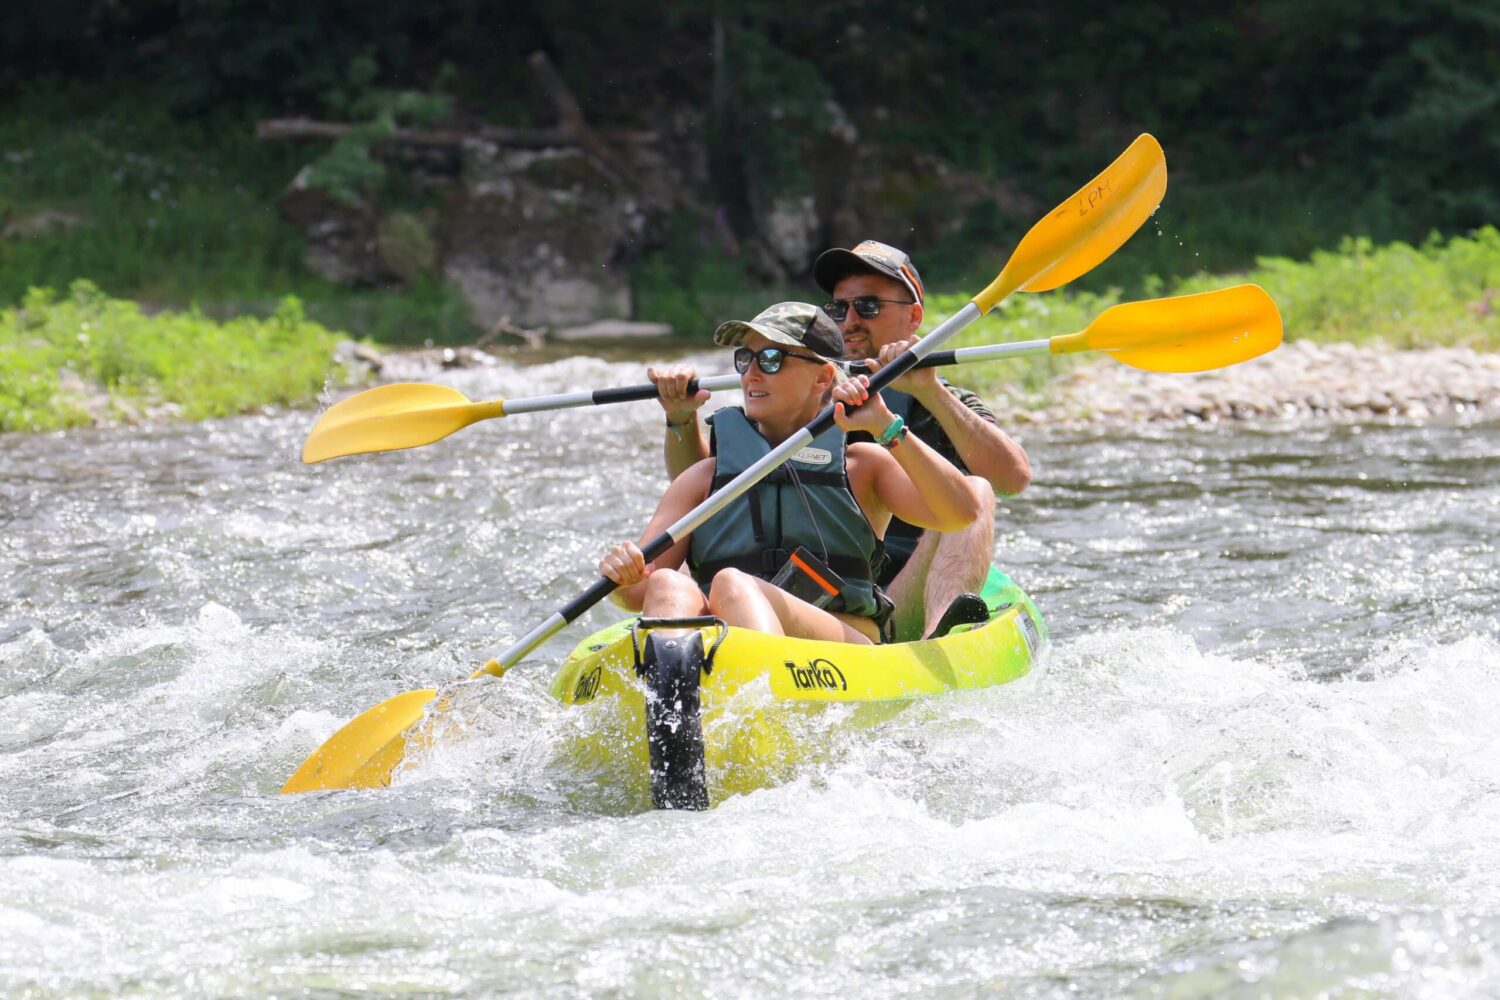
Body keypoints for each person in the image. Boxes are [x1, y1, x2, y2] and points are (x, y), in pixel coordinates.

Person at [649, 242, 1030, 641]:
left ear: (913, 316)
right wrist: (680, 418)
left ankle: (941, 638)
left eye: (867, 306)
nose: (848, 320)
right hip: (779, 601)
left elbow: (1011, 479)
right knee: (699, 580)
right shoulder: (785, 401)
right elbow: (714, 495)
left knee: (978, 489)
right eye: (837, 309)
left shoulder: (937, 398)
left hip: (895, 595)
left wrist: (927, 393)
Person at [600, 302, 981, 648]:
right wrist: (625, 575)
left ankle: (767, 703)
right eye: (745, 358)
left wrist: (886, 425)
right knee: (668, 583)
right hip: (727, 639)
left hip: (843, 644)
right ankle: (675, 712)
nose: (751, 374)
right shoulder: (704, 477)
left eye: (770, 359)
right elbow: (635, 595)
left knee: (733, 584)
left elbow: (961, 513)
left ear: (822, 378)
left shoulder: (863, 465)